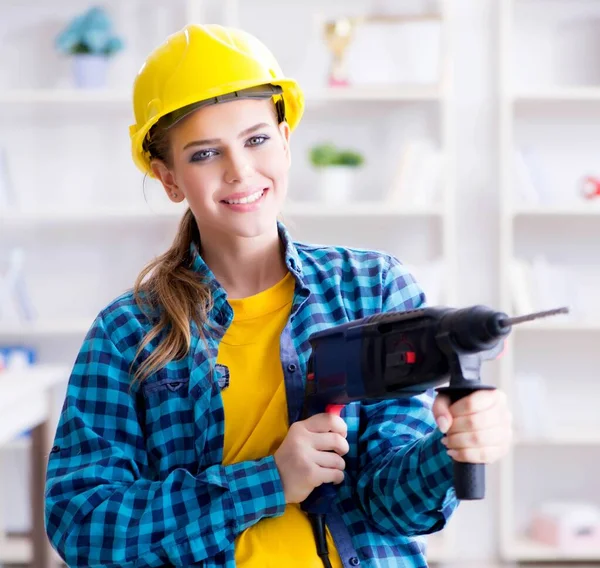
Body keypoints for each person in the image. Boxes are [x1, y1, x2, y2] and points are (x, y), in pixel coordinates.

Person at [44, 23, 513, 568]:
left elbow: (393, 505)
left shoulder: (374, 290)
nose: (240, 171)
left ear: (286, 142)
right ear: (168, 178)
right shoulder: (130, 332)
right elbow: (82, 525)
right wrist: (267, 482)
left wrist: (451, 450)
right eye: (203, 155)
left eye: (257, 139)